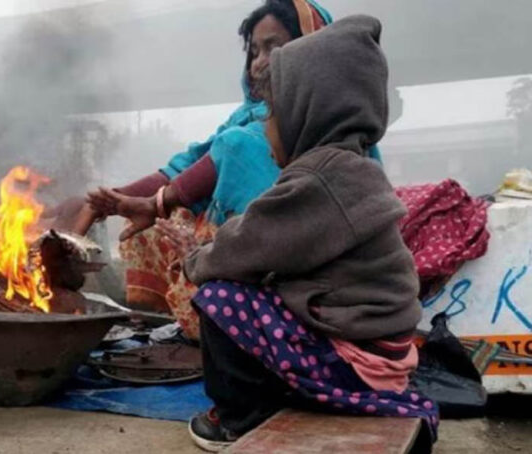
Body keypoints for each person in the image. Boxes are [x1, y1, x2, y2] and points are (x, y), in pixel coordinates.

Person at [154, 15, 438, 452]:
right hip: (383, 352)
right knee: (260, 292)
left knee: (221, 297)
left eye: (272, 116)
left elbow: (247, 246)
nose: (265, 131)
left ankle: (240, 418)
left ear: (308, 113)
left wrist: (195, 259)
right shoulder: (354, 168)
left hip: (356, 361)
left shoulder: (318, 178)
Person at [62, 0, 349, 338]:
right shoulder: (247, 115)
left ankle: (239, 324)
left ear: (311, 51)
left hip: (302, 270)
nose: (259, 62)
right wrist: (106, 202)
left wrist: (156, 205)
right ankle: (201, 319)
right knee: (155, 226)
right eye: (254, 52)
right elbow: (187, 167)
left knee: (190, 208)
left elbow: (229, 152)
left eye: (274, 47)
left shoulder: (328, 120)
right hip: (248, 255)